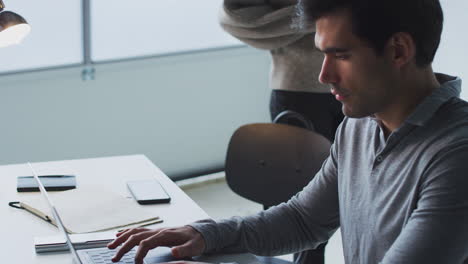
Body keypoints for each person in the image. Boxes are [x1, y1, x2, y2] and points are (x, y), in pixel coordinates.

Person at [108, 0, 468, 263]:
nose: (323, 76)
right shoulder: (358, 126)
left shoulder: (456, 152)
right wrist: (204, 234)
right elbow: (303, 220)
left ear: (399, 50)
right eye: (322, 54)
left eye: (340, 55)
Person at [220, 0, 343, 142]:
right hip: (298, 92)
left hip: (353, 84)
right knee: (305, 162)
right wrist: (320, 13)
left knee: (357, 160)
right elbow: (234, 12)